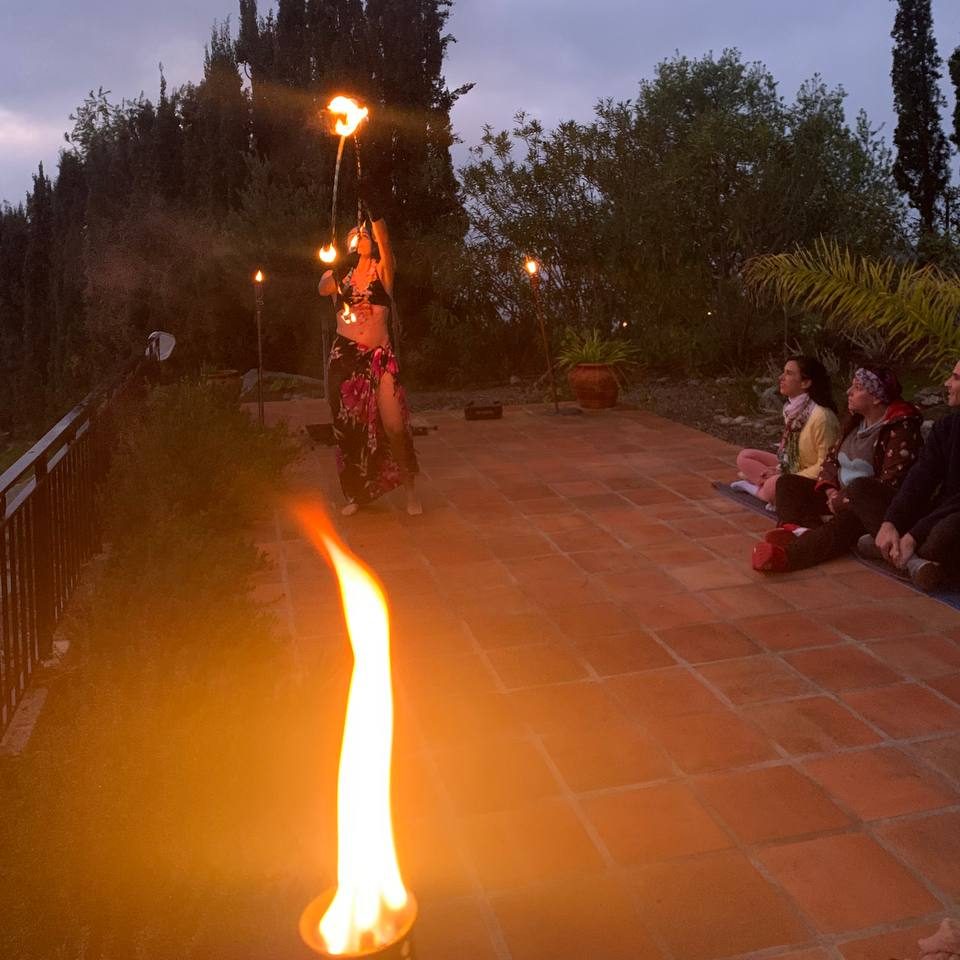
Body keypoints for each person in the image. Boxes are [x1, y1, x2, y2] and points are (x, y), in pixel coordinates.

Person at [752, 364, 923, 572]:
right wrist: (830, 489)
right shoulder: (854, 422)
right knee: (787, 484)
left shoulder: (900, 430)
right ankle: (798, 531)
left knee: (844, 523)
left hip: (867, 506)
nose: (849, 392)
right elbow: (831, 460)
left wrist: (842, 500)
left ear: (876, 397)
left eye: (857, 387)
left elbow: (890, 483)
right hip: (838, 496)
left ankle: (789, 556)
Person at [318, 199, 421, 517]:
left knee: (393, 425)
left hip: (379, 357)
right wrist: (331, 266)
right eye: (356, 232)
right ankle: (357, 494)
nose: (360, 234)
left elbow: (386, 241)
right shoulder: (341, 276)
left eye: (365, 232)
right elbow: (323, 289)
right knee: (350, 429)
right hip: (346, 358)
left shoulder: (383, 270)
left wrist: (375, 213)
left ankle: (410, 490)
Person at [860, 358, 960, 590]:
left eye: (955, 378)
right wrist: (891, 521)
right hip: (936, 513)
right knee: (860, 489)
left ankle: (898, 551)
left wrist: (914, 534)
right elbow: (921, 478)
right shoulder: (946, 427)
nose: (947, 383)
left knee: (945, 534)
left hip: (951, 518)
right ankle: (915, 562)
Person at [732, 356, 839, 505]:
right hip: (791, 466)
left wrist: (784, 474)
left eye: (789, 373)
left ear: (805, 382)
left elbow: (825, 466)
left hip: (810, 478)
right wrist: (780, 469)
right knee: (745, 456)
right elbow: (788, 454)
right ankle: (765, 484)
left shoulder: (822, 417)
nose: (781, 377)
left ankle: (756, 488)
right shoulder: (793, 409)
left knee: (773, 485)